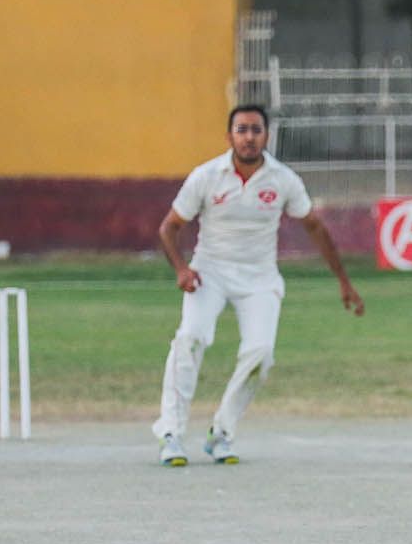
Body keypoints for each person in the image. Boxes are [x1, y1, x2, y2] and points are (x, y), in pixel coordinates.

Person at [151, 103, 364, 467]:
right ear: (229, 136)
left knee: (261, 354)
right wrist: (181, 269)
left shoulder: (282, 179)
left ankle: (221, 433)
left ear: (266, 136)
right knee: (191, 337)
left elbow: (314, 227)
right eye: (242, 130)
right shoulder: (207, 175)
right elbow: (169, 228)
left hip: (259, 277)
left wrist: (344, 281)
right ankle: (171, 433)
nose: (249, 137)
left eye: (256, 130)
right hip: (209, 272)